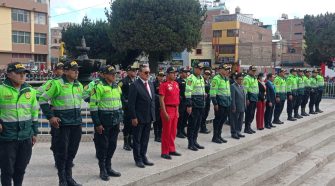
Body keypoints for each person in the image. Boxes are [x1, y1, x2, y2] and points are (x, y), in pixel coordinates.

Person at [39, 61, 83, 186]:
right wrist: (51, 117)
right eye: (74, 70)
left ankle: (69, 178)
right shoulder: (56, 84)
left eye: (77, 70)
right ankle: (62, 179)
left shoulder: (78, 85)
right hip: (62, 125)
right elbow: (42, 99)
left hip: (76, 123)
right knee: (61, 152)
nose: (76, 72)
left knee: (72, 152)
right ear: (66, 71)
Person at [0, 62, 39, 186]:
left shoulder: (31, 91)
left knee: (20, 169)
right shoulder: (1, 89)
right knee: (7, 170)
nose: (22, 76)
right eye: (19, 73)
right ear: (9, 75)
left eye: (24, 73)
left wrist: (35, 132)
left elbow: (34, 112)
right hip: (7, 137)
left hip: (25, 136)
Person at [89, 65, 122, 181]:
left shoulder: (116, 87)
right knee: (102, 146)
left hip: (115, 121)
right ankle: (102, 169)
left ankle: (109, 167)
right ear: (105, 75)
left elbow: (119, 104)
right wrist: (97, 124)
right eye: (111, 73)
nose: (114, 75)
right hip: (103, 122)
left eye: (115, 73)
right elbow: (93, 107)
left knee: (112, 145)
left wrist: (120, 118)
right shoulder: (98, 87)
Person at [36, 62, 64, 167]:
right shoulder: (51, 83)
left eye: (63, 68)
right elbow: (38, 94)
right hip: (56, 115)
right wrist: (49, 109)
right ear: (55, 71)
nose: (61, 70)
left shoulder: (71, 83)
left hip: (68, 116)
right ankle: (57, 159)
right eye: (59, 69)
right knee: (57, 138)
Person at [128, 64, 155, 168]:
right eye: (146, 72)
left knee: (145, 139)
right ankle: (138, 159)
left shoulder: (150, 84)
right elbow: (131, 104)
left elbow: (152, 100)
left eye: (149, 72)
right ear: (139, 73)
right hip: (139, 117)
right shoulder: (135, 85)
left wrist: (153, 115)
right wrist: (134, 117)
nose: (148, 74)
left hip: (148, 117)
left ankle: (144, 156)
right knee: (137, 140)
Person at [159, 67, 181, 159]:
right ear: (167, 74)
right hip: (168, 108)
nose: (174, 74)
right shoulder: (163, 85)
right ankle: (164, 151)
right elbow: (161, 99)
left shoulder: (176, 84)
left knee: (173, 131)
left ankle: (171, 149)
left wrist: (178, 111)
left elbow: (177, 98)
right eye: (172, 73)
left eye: (175, 73)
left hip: (175, 108)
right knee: (166, 132)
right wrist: (164, 112)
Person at [185, 62, 206, 151]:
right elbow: (188, 92)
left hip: (201, 103)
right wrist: (189, 105)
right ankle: (190, 143)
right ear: (195, 68)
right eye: (199, 69)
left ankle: (195, 141)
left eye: (201, 69)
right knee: (192, 124)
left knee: (198, 124)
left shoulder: (201, 78)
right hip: (194, 104)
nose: (200, 71)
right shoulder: (191, 78)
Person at [210, 64, 231, 143]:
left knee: (223, 120)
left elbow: (228, 92)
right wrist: (215, 103)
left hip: (226, 102)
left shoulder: (226, 79)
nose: (227, 71)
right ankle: (215, 137)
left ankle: (219, 135)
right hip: (220, 103)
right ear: (220, 70)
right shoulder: (216, 79)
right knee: (218, 120)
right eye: (225, 69)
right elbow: (213, 92)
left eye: (227, 69)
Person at [119, 64, 137, 151]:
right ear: (128, 71)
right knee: (127, 125)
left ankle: (131, 142)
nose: (134, 72)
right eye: (132, 70)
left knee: (133, 126)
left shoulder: (136, 81)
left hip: (134, 107)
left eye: (135, 70)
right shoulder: (123, 81)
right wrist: (124, 101)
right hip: (127, 107)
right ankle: (126, 143)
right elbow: (118, 92)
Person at [230, 73, 246, 139]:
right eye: (240, 79)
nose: (241, 81)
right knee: (234, 120)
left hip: (242, 105)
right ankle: (234, 132)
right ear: (236, 79)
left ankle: (238, 131)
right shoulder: (233, 86)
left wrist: (244, 105)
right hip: (236, 106)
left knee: (240, 120)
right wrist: (233, 106)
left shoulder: (242, 86)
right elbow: (232, 97)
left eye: (242, 79)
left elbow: (244, 96)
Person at [243, 65, 259, 134]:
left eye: (255, 71)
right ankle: (246, 128)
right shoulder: (247, 78)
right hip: (250, 98)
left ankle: (249, 127)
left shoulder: (255, 78)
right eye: (252, 70)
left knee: (252, 114)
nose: (254, 72)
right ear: (249, 70)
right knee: (248, 114)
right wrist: (247, 99)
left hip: (255, 97)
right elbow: (245, 90)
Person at [176, 67, 189, 138]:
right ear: (181, 73)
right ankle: (179, 131)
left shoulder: (188, 80)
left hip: (187, 101)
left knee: (185, 116)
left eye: (186, 72)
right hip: (181, 102)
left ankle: (183, 129)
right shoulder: (178, 81)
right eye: (184, 72)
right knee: (180, 117)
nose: (186, 73)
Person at [153, 71, 165, 142]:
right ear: (157, 76)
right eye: (160, 76)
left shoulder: (164, 83)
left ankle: (160, 135)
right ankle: (156, 136)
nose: (161, 77)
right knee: (156, 120)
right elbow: (153, 94)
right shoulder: (154, 83)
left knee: (161, 121)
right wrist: (159, 97)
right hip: (156, 104)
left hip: (162, 104)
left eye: (162, 76)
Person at [200, 68, 211, 134]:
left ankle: (203, 126)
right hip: (203, 99)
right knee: (203, 114)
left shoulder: (208, 81)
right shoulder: (201, 80)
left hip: (208, 99)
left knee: (206, 113)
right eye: (206, 74)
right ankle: (202, 127)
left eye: (208, 74)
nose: (207, 75)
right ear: (203, 74)